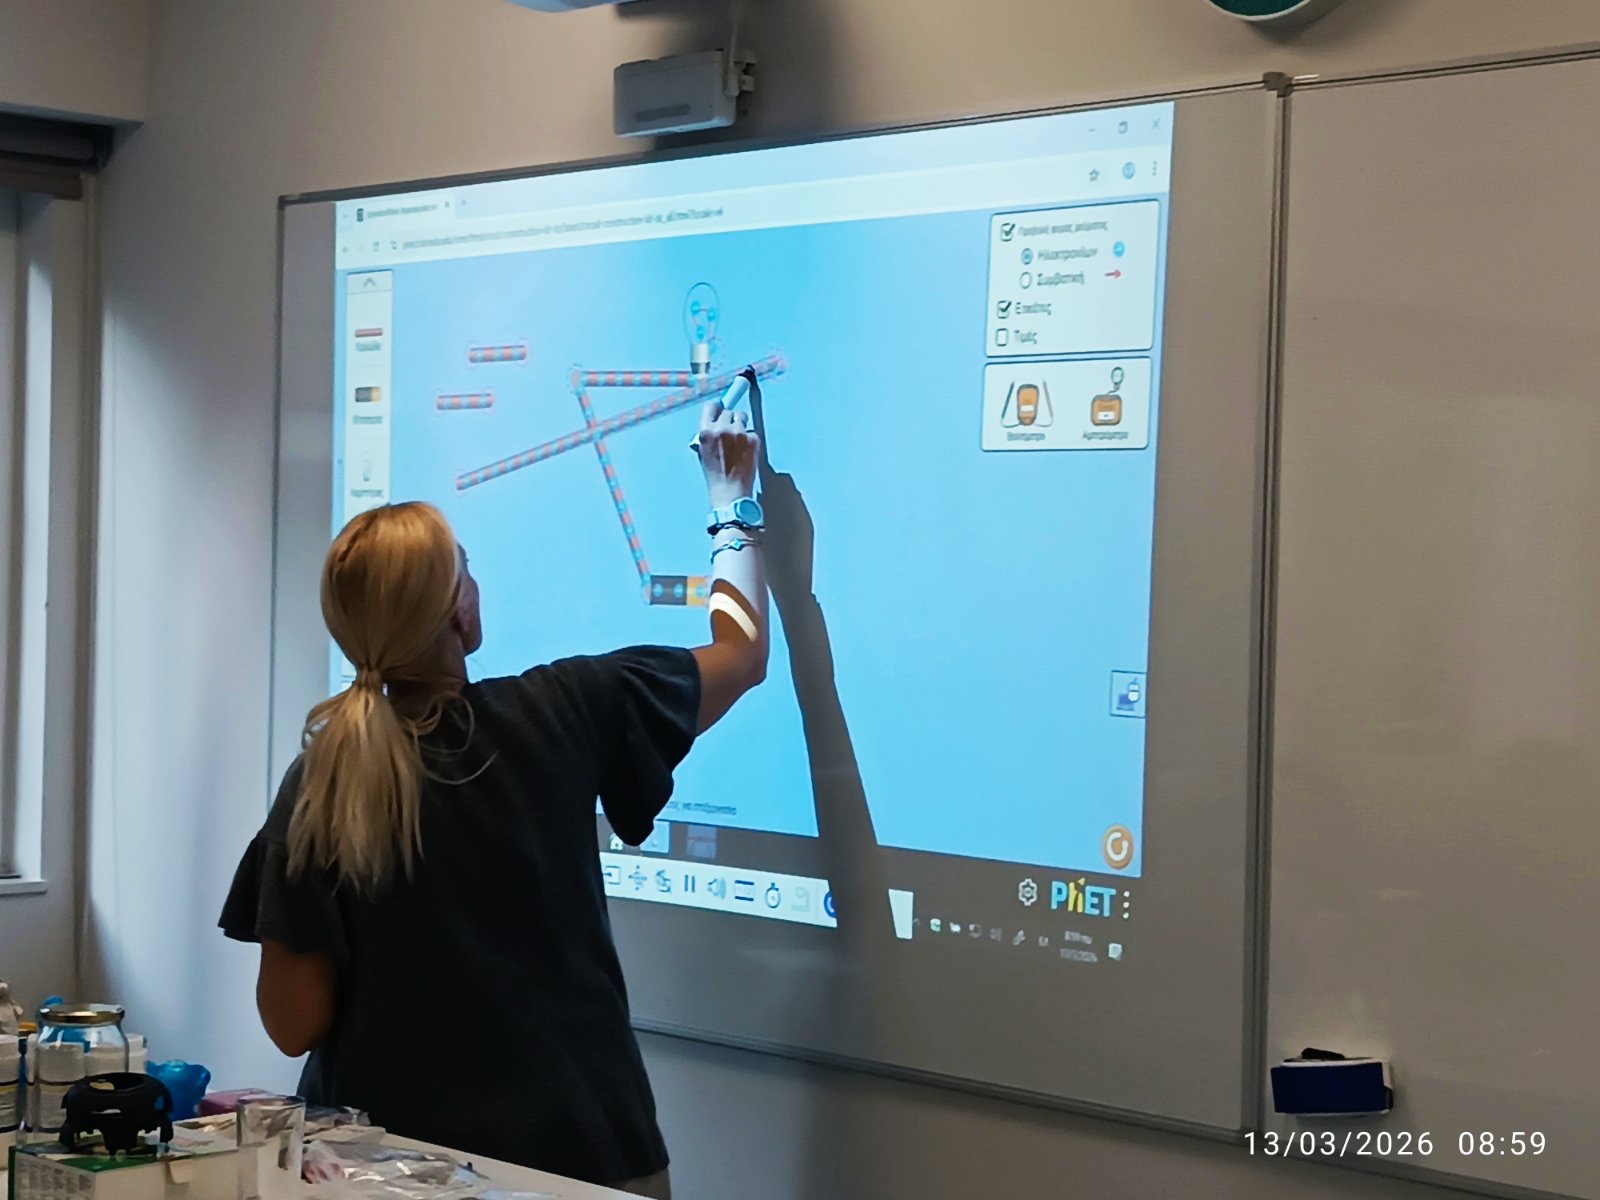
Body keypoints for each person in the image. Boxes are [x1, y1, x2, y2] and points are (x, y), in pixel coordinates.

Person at [220, 399, 768, 1199]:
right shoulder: (567, 709)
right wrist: (731, 501)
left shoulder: (321, 783)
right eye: (466, 568)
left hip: (385, 1167)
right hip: (585, 1156)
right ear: (459, 612)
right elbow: (741, 654)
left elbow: (291, 1021)